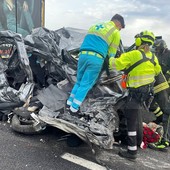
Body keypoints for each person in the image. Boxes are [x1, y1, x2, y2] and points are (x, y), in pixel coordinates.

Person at [109, 30, 161, 160]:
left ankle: (132, 152)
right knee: (134, 119)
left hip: (134, 95)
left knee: (131, 123)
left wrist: (109, 57)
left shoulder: (134, 54)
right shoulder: (153, 58)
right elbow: (157, 71)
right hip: (144, 96)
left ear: (139, 41)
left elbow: (115, 64)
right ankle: (134, 145)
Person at [66, 14, 125, 114]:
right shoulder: (115, 31)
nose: (119, 30)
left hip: (82, 56)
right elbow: (111, 54)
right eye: (120, 28)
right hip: (95, 58)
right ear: (118, 24)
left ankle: (69, 103)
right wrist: (112, 66)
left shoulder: (96, 25)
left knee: (79, 81)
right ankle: (74, 109)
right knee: (86, 84)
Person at [148, 39, 170, 151]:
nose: (156, 50)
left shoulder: (169, 55)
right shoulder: (155, 54)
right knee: (150, 103)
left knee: (167, 111)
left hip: (165, 86)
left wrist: (167, 79)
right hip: (157, 84)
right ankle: (160, 117)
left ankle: (166, 140)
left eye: (158, 48)